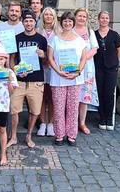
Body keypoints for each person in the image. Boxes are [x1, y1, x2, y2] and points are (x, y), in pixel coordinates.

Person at [7, 10, 47, 148]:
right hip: (20, 81)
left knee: (35, 110)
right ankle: (13, 136)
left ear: (35, 22)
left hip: (36, 80)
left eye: (31, 21)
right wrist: (15, 71)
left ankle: (29, 135)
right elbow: (11, 59)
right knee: (14, 109)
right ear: (22, 22)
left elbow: (47, 62)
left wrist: (43, 55)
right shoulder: (16, 38)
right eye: (26, 21)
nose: (28, 23)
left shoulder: (42, 39)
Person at [47, 11, 87, 146]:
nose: (67, 23)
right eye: (65, 21)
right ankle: (59, 135)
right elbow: (50, 58)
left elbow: (83, 59)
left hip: (75, 80)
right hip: (58, 79)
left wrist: (78, 72)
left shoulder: (80, 41)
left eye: (70, 21)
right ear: (61, 22)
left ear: (73, 23)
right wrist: (58, 71)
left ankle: (71, 135)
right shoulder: (55, 39)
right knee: (58, 108)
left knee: (73, 108)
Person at [94, 11, 120, 131]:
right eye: (102, 18)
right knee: (100, 93)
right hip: (98, 68)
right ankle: (102, 118)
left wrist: (116, 62)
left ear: (109, 20)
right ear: (98, 19)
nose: (104, 20)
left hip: (111, 68)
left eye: (106, 18)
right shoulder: (94, 34)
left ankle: (109, 118)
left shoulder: (114, 34)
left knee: (109, 93)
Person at [74, 8, 99, 135]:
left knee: (83, 98)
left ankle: (82, 123)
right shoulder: (70, 30)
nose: (82, 18)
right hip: (72, 68)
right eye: (79, 16)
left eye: (84, 16)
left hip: (87, 69)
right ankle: (71, 123)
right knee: (72, 97)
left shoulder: (90, 32)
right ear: (75, 17)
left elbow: (94, 49)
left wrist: (83, 59)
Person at [36, 7, 60, 137]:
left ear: (54, 17)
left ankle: (51, 124)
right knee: (40, 98)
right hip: (40, 69)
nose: (49, 17)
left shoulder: (60, 32)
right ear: (43, 16)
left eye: (51, 14)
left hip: (54, 70)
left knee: (52, 98)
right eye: (46, 14)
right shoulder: (37, 31)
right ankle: (42, 123)